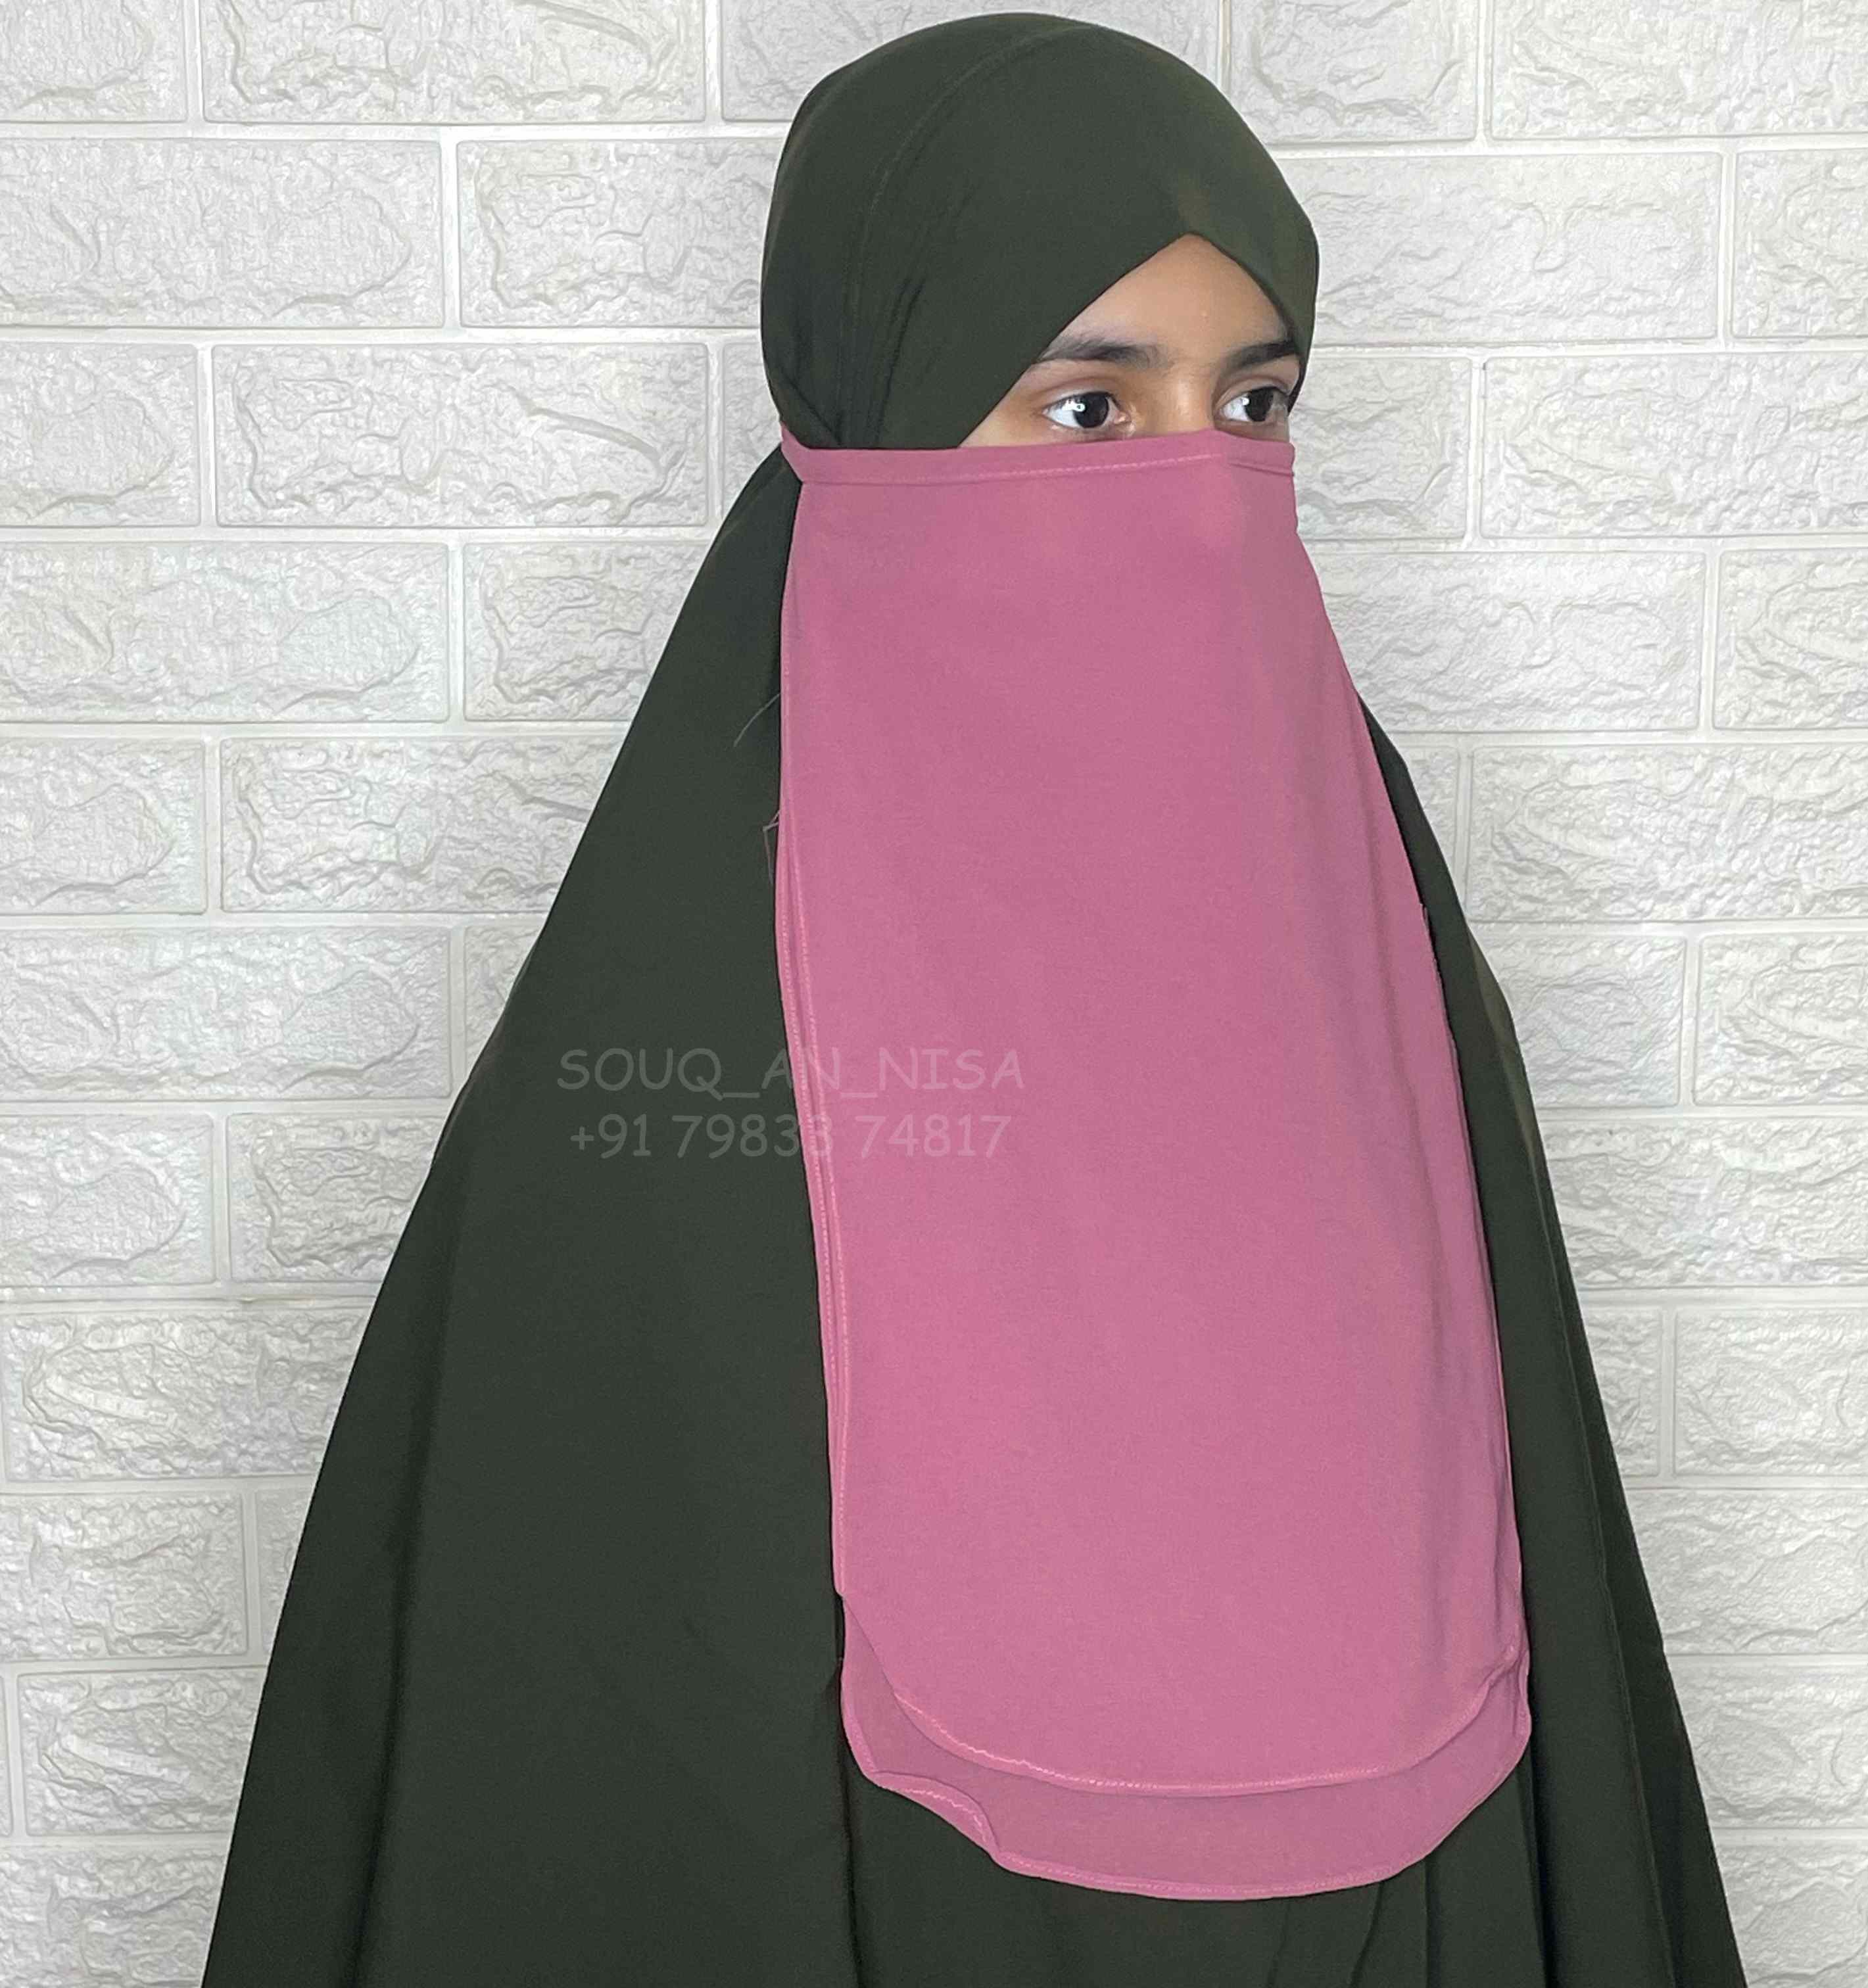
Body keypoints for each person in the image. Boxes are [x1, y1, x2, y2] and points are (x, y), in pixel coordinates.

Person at [197, 14, 1749, 1985]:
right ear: (876, 416)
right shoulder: (664, 1067)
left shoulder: (1372, 940)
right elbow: (588, 1770)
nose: (1198, 490)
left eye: (1252, 406)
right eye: (1088, 409)